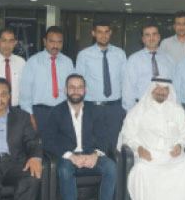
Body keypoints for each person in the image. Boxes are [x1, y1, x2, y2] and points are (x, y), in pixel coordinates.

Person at [41, 74, 117, 200]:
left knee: (111, 167)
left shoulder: (95, 110)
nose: (76, 91)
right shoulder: (56, 111)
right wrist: (70, 156)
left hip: (91, 153)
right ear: (65, 90)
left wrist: (95, 154)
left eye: (79, 87)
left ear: (85, 90)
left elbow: (105, 137)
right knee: (64, 170)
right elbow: (48, 140)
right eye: (72, 87)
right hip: (69, 157)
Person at [121, 78, 185, 200]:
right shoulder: (138, 109)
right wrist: (139, 148)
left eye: (165, 89)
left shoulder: (176, 109)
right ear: (151, 90)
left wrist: (180, 146)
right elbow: (128, 134)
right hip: (148, 153)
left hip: (172, 153)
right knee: (141, 169)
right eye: (157, 88)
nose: (161, 92)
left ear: (169, 91)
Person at [75, 20, 127, 150]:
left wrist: (125, 107)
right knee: (92, 146)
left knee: (115, 146)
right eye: (99, 32)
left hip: (115, 108)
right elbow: (79, 84)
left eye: (106, 32)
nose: (103, 35)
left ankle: (114, 169)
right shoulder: (84, 55)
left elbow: (125, 81)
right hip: (92, 108)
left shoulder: (120, 54)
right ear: (93, 33)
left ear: (110, 33)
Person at [19, 25, 74, 132]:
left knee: (61, 146)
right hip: (40, 112)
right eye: (52, 41)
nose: (55, 45)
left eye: (59, 42)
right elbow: (25, 93)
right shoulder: (33, 62)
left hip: (62, 112)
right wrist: (30, 116)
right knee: (39, 146)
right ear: (45, 41)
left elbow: (72, 89)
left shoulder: (68, 62)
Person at [122, 24, 175, 111]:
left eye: (154, 34)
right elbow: (128, 89)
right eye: (147, 35)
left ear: (159, 37)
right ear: (143, 39)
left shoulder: (169, 59)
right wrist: (130, 112)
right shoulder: (134, 59)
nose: (151, 38)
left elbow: (173, 87)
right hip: (142, 108)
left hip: (165, 108)